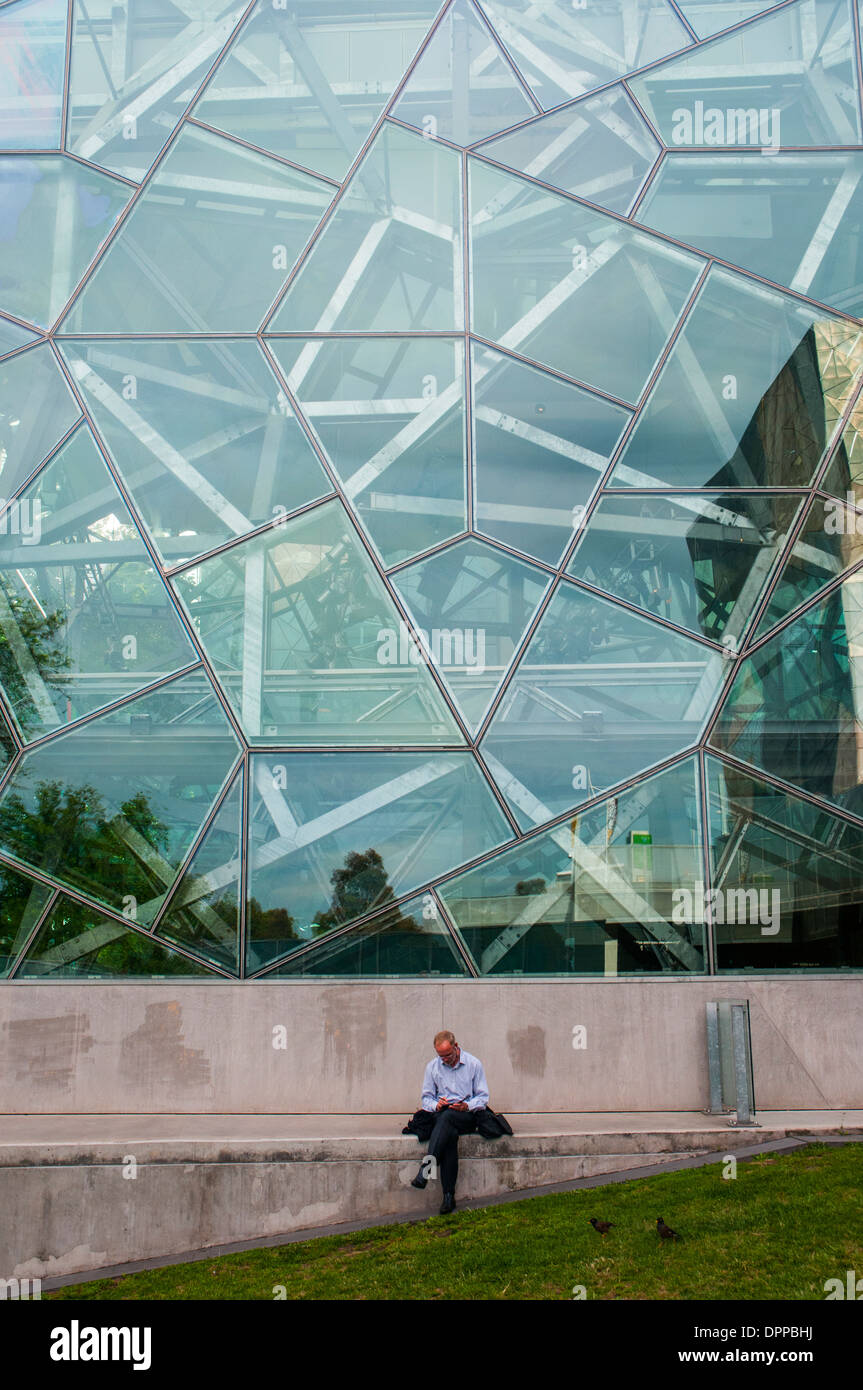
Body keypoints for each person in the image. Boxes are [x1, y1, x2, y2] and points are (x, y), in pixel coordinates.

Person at [409, 1030, 490, 1215]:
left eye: (448, 1055)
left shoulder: (473, 1064)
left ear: (456, 1046)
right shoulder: (432, 1067)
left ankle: (426, 1169)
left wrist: (466, 1105)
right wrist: (437, 1105)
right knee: (449, 1134)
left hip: (466, 1114)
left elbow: (483, 1097)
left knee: (448, 1120)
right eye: (441, 1056)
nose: (445, 1059)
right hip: (443, 1115)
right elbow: (426, 1099)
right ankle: (448, 1197)